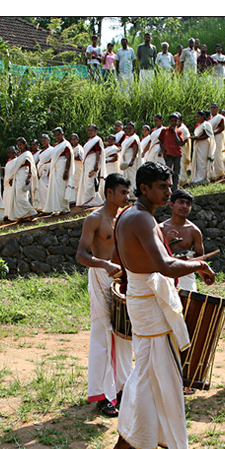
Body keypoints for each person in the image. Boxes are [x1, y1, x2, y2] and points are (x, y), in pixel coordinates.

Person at [110, 162, 216, 449]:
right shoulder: (141, 218)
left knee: (144, 372)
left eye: (170, 187)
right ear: (144, 189)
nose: (169, 193)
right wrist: (198, 265)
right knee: (155, 379)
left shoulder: (131, 215)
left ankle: (125, 441)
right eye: (162, 187)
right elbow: (166, 266)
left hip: (144, 300)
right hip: (149, 303)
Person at [75, 172, 135, 417]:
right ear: (109, 192)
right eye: (122, 192)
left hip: (124, 279)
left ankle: (121, 389)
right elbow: (81, 255)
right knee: (103, 333)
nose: (126, 197)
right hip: (101, 278)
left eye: (127, 192)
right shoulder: (94, 219)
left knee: (124, 334)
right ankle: (102, 395)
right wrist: (104, 264)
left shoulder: (126, 218)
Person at [160, 189, 205, 292]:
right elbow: (153, 253)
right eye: (181, 202)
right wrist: (166, 242)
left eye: (188, 204)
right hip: (165, 273)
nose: (184, 206)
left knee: (189, 303)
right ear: (171, 205)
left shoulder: (194, 231)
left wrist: (189, 261)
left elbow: (201, 258)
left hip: (186, 273)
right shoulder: (161, 228)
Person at [6, 137, 39, 221]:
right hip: (18, 175)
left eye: (20, 145)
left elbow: (31, 165)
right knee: (18, 196)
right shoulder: (20, 155)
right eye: (18, 145)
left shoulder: (27, 154)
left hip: (24, 174)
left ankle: (32, 211)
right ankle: (23, 215)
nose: (19, 147)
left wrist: (29, 176)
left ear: (25, 144)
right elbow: (16, 168)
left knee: (22, 196)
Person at [75, 125, 105, 208]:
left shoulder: (97, 140)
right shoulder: (89, 141)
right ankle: (94, 200)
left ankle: (90, 201)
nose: (90, 132)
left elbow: (98, 153)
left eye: (92, 130)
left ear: (96, 131)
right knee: (87, 181)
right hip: (87, 163)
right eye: (89, 130)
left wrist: (96, 164)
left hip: (92, 163)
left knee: (90, 182)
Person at [47, 128, 75, 215]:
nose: (57, 136)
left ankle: (64, 208)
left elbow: (68, 157)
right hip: (55, 167)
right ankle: (56, 208)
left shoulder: (65, 144)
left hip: (62, 167)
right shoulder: (56, 145)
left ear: (62, 134)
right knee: (55, 188)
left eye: (59, 134)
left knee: (61, 188)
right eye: (56, 135)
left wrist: (66, 170)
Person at [159, 112, 186, 191]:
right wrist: (163, 152)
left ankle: (175, 188)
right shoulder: (165, 130)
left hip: (177, 154)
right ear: (169, 121)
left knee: (176, 172)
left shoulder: (179, 132)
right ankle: (168, 188)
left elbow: (179, 142)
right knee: (168, 171)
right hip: (168, 154)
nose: (174, 123)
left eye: (175, 121)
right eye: (172, 121)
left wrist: (174, 132)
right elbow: (161, 142)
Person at [189, 110, 215, 186]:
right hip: (198, 144)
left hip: (204, 144)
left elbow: (207, 135)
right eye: (196, 116)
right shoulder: (198, 125)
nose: (197, 118)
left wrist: (197, 138)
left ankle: (203, 178)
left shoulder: (206, 124)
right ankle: (197, 178)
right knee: (198, 161)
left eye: (198, 116)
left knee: (202, 161)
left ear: (203, 116)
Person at [119, 122, 142, 188]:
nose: (128, 130)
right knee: (127, 175)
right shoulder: (127, 138)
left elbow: (135, 149)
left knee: (132, 175)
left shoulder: (134, 138)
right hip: (126, 159)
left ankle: (133, 191)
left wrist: (132, 160)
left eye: (130, 128)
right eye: (127, 128)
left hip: (131, 159)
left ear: (134, 129)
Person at [207, 103, 225, 180]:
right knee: (212, 155)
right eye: (212, 108)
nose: (213, 109)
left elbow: (222, 128)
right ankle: (213, 174)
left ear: (217, 109)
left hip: (218, 137)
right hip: (211, 137)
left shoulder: (220, 118)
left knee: (217, 154)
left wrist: (213, 133)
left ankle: (220, 172)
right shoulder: (210, 119)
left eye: (214, 108)